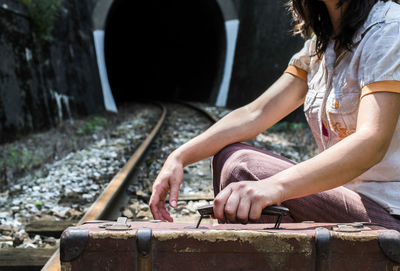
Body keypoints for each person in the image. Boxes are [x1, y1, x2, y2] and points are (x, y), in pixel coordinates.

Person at [149, 0, 400, 230]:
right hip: (348, 200)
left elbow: (372, 141)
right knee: (228, 157)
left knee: (242, 168)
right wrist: (179, 157)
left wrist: (275, 186)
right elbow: (255, 113)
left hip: (389, 214)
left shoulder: (389, 31)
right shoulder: (321, 47)